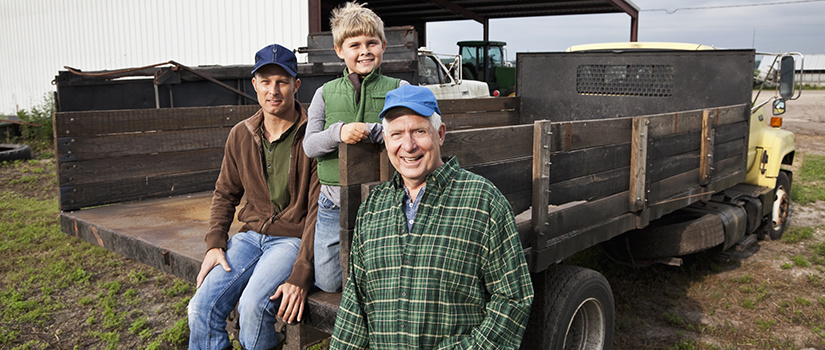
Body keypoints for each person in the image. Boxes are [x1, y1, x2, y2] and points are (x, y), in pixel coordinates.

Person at [330, 85, 534, 349]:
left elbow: (513, 299)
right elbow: (355, 305)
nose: (408, 145)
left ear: (440, 134)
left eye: (418, 131)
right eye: (396, 134)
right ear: (387, 141)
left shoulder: (482, 201)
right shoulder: (373, 208)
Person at [187, 43, 320, 350]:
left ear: (296, 85)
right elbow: (225, 192)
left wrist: (302, 272)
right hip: (249, 237)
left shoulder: (312, 135)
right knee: (200, 307)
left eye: (282, 81)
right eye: (266, 81)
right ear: (255, 85)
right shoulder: (241, 134)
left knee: (252, 308)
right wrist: (215, 243)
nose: (273, 90)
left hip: (291, 239)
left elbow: (317, 209)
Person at [303, 1, 407, 293]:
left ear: (383, 45)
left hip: (384, 197)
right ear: (339, 50)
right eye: (355, 44)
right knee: (328, 281)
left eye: (371, 42)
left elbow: (409, 134)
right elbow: (310, 146)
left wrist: (372, 131)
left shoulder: (398, 88)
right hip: (332, 200)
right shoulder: (324, 94)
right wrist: (338, 132)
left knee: (382, 273)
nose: (364, 51)